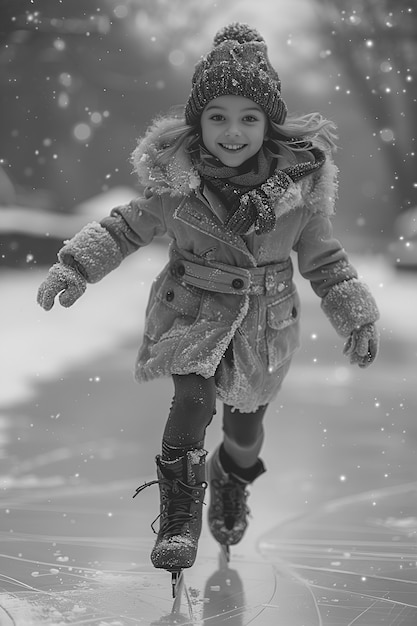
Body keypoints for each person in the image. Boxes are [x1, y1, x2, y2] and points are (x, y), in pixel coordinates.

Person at [37, 23, 380, 574]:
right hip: (191, 312)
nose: (232, 130)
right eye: (217, 116)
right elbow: (127, 226)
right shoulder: (178, 183)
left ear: (269, 124)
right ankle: (177, 521)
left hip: (265, 325)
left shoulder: (299, 194)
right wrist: (76, 265)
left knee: (244, 435)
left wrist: (355, 316)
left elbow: (326, 262)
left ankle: (229, 477)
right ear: (198, 123)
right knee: (192, 404)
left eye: (248, 117)